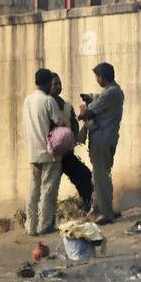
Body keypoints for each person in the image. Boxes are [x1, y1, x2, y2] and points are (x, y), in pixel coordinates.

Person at [78, 61, 124, 224]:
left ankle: (105, 213)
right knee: (100, 176)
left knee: (101, 176)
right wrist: (91, 99)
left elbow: (86, 113)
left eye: (97, 77)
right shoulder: (115, 91)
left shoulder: (110, 93)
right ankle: (100, 208)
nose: (96, 80)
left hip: (101, 140)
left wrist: (84, 108)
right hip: (108, 139)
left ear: (101, 77)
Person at [23, 67, 62, 236]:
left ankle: (30, 226)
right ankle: (44, 225)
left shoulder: (27, 100)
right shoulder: (48, 101)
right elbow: (59, 123)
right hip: (48, 152)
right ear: (47, 83)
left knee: (33, 189)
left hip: (32, 151)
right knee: (48, 189)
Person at [49, 74, 93, 209]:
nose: (58, 86)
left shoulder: (65, 104)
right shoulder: (46, 105)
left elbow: (73, 124)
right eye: (55, 84)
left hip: (66, 154)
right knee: (49, 188)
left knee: (84, 177)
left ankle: (88, 206)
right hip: (52, 155)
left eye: (59, 83)